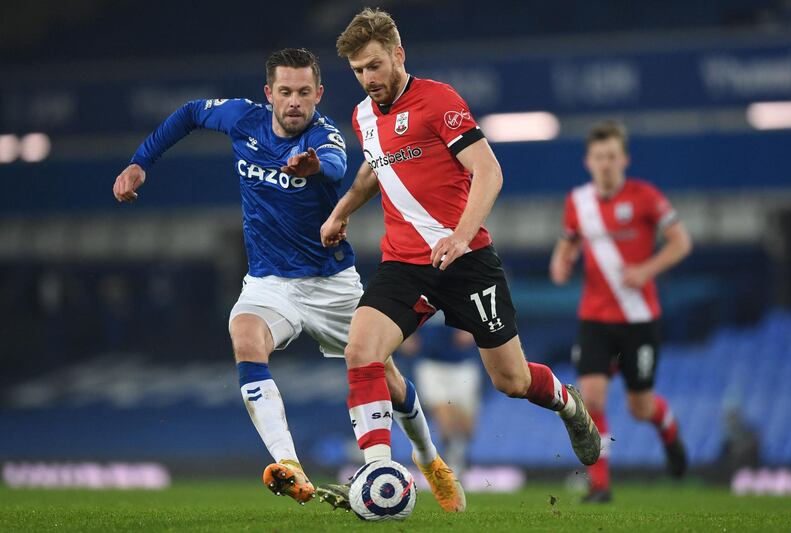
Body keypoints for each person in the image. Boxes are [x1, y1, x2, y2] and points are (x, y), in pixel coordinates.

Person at [112, 48, 447, 508]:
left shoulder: (325, 136)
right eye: (285, 92)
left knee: (385, 375)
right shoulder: (241, 120)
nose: (294, 102)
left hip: (332, 284)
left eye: (304, 93)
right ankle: (289, 464)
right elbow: (190, 113)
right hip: (270, 282)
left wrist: (310, 166)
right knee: (245, 337)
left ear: (318, 94)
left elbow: (334, 165)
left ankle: (430, 459)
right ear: (268, 93)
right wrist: (140, 162)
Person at [317, 8, 600, 513]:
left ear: (398, 54)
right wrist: (341, 211)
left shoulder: (438, 100)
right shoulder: (363, 116)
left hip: (467, 261)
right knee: (361, 351)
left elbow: (489, 172)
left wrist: (459, 235)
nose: (368, 79)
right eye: (358, 71)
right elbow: (371, 170)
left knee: (511, 381)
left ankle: (567, 402)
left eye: (375, 66)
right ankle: (379, 469)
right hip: (403, 264)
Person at [549, 121, 692, 503]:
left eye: (612, 156)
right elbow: (566, 246)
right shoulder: (578, 202)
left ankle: (670, 431)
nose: (606, 164)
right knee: (591, 399)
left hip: (639, 318)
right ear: (588, 162)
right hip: (595, 318)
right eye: (599, 157)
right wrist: (561, 264)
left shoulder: (646, 197)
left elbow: (681, 243)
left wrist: (646, 270)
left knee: (639, 406)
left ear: (624, 158)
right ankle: (600, 485)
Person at [398, 319, 482, 478]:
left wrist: (473, 330)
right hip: (431, 365)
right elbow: (405, 310)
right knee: (442, 411)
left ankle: (460, 454)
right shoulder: (422, 294)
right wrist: (406, 337)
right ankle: (451, 460)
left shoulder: (462, 294)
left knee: (467, 425)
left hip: (462, 365)